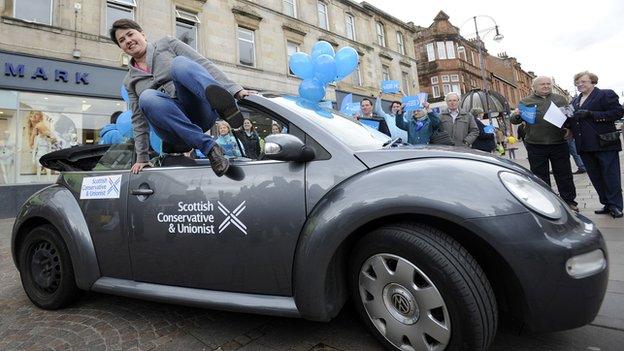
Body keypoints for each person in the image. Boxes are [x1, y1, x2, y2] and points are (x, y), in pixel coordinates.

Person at [110, 19, 254, 176]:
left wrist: (234, 89)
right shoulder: (129, 81)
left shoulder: (167, 44)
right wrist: (142, 157)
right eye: (122, 40)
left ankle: (224, 106)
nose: (128, 41)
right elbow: (138, 120)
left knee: (179, 64)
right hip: (172, 130)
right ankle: (211, 149)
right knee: (147, 97)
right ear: (121, 48)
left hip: (198, 111)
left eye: (130, 34)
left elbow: (202, 64)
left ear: (142, 34)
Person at [511, 76, 578, 211]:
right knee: (540, 176)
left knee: (564, 174)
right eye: (542, 84)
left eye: (548, 84)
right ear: (534, 87)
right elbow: (514, 120)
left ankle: (569, 201)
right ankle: (546, 203)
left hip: (558, 143)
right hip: (535, 144)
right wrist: (517, 115)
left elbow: (570, 116)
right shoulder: (526, 101)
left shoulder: (560, 99)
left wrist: (570, 129)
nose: (546, 86)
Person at [568, 71, 623, 218]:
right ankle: (606, 203)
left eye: (583, 82)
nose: (580, 84)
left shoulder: (606, 94)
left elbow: (618, 112)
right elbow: (575, 121)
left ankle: (616, 205)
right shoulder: (574, 101)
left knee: (610, 175)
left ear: (593, 82)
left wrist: (592, 114)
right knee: (596, 177)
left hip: (604, 143)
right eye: (577, 82)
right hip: (584, 145)